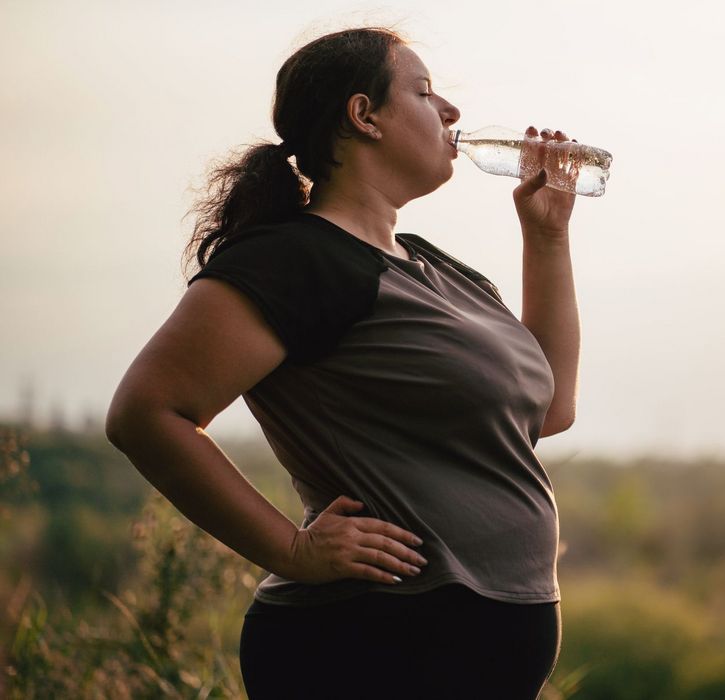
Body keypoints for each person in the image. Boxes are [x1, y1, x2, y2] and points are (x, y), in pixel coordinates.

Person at [105, 26, 581, 699]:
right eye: (423, 93)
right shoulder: (297, 260)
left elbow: (551, 409)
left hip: (477, 653)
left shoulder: (442, 271)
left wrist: (547, 237)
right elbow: (145, 413)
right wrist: (291, 551)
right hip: (366, 648)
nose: (451, 112)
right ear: (364, 116)